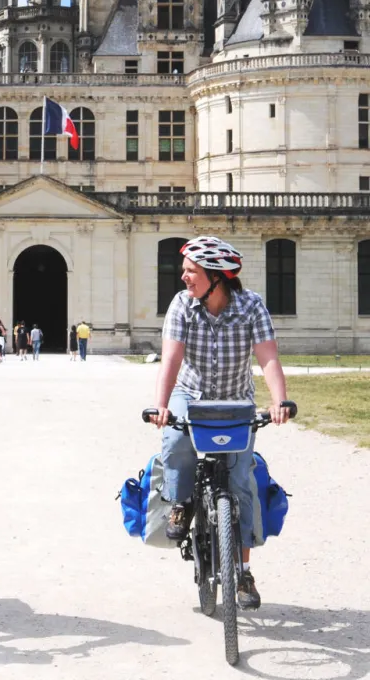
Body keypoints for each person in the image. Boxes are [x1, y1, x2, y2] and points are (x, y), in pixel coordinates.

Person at [148, 235, 291, 611]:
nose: (184, 278)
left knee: (241, 480)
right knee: (176, 443)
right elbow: (171, 361)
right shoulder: (182, 305)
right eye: (184, 271)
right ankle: (181, 503)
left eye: (191, 272)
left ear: (216, 276)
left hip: (235, 400)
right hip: (190, 394)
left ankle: (242, 572)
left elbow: (268, 359)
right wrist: (161, 407)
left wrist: (279, 401)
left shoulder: (250, 305)